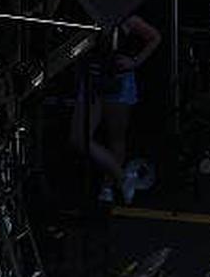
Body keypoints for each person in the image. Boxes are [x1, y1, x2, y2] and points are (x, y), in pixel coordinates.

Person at [69, 14, 161, 205]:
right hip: (92, 80)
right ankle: (121, 177)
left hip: (117, 80)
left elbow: (154, 37)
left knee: (116, 137)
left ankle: (108, 186)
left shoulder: (127, 17)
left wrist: (135, 61)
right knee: (80, 137)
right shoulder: (88, 11)